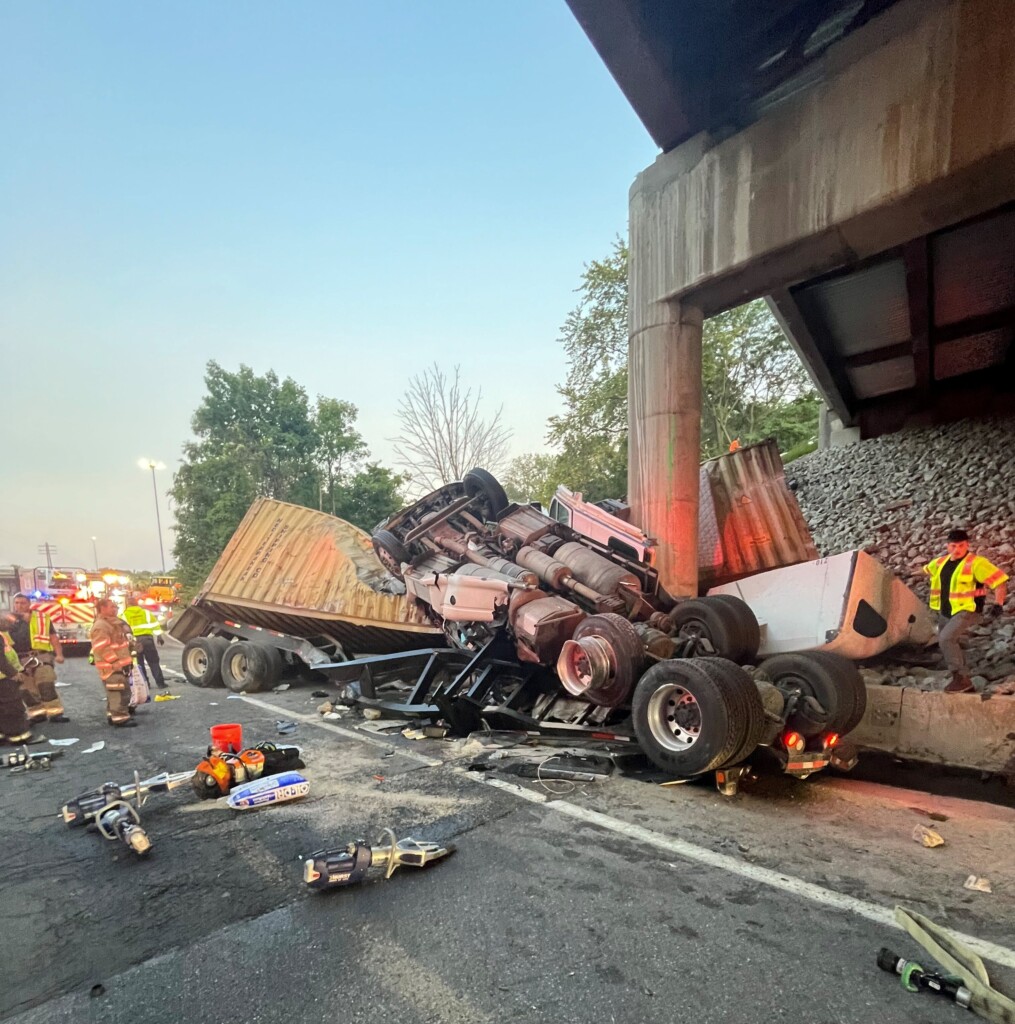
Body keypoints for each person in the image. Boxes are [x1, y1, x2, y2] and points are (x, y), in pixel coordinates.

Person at [923, 528, 1009, 693]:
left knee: (946, 639)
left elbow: (999, 581)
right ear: (947, 546)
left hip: (968, 609)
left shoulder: (976, 563)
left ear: (967, 545)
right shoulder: (940, 562)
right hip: (946, 610)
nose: (957, 549)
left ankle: (962, 679)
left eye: (961, 546)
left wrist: (998, 603)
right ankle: (959, 665)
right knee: (947, 639)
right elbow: (925, 570)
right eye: (953, 546)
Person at [9, 593, 68, 724]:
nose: (19, 606)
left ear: (29, 604)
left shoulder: (41, 617)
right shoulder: (8, 620)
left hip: (40, 656)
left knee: (46, 683)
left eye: (22, 603)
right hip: (19, 659)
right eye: (17, 603)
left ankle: (55, 713)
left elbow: (53, 637)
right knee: (26, 690)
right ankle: (37, 714)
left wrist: (59, 654)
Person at [89, 598, 137, 727]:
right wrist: (115, 661)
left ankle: (113, 714)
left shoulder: (114, 623)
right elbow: (101, 647)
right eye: (112, 607)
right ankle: (120, 718)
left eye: (116, 606)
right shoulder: (101, 626)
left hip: (120, 665)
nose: (115, 609)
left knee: (118, 691)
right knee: (119, 692)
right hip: (111, 666)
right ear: (102, 609)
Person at [0, 614, 37, 744]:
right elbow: (1, 660)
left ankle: (3, 736)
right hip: (4, 679)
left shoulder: (4, 635)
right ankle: (20, 736)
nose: (5, 621)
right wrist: (13, 673)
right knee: (13, 707)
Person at [122, 594, 168, 690]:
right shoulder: (146, 613)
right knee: (154, 662)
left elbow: (121, 630)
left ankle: (146, 685)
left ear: (127, 604)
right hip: (147, 640)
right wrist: (159, 636)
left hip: (134, 643)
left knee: (139, 664)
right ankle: (160, 683)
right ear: (136, 603)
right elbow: (155, 625)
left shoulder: (123, 615)